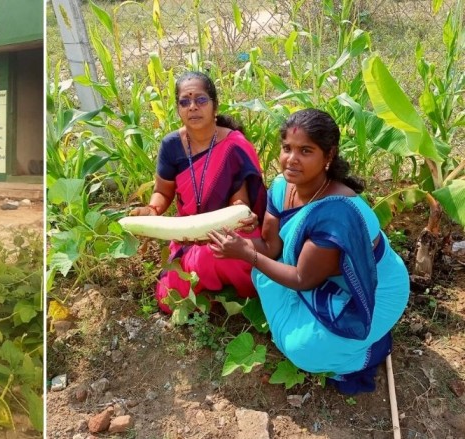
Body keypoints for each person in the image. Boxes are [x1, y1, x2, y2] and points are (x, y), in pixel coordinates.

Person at [207, 108, 409, 394]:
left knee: (303, 350)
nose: (292, 159)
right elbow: (271, 246)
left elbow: (303, 279)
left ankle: (369, 344)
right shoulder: (281, 187)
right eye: (287, 148)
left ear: (328, 156)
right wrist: (225, 240)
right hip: (318, 275)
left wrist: (246, 253)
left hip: (374, 290)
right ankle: (332, 328)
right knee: (263, 276)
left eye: (305, 151)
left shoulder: (337, 214)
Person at [130, 71, 267, 313]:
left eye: (201, 100)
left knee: (234, 261)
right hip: (188, 235)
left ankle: (222, 294)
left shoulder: (233, 145)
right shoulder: (171, 145)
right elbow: (163, 191)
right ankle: (216, 295)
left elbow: (240, 199)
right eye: (185, 101)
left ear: (215, 105)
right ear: (178, 109)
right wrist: (151, 209)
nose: (193, 107)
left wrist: (240, 216)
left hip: (229, 233)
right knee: (168, 298)